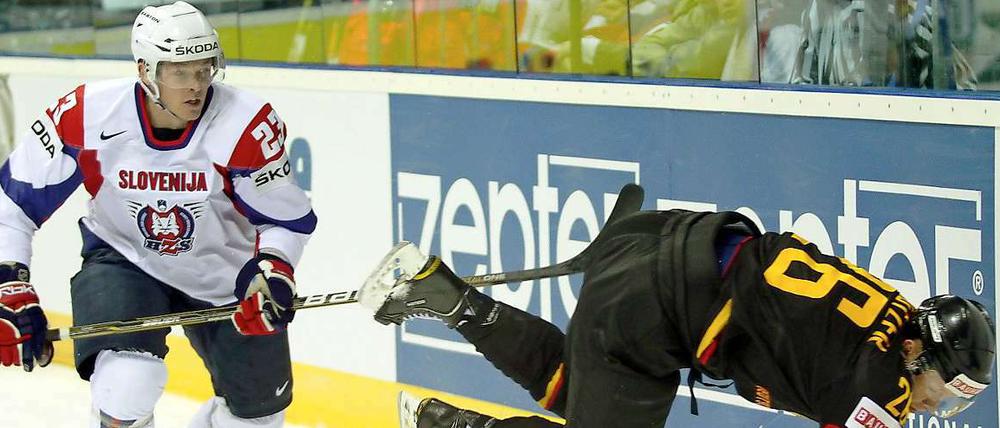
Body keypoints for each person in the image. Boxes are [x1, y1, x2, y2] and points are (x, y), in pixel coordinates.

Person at [365, 208, 995, 427]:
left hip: (662, 246)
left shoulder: (895, 306)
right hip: (661, 311)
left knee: (578, 391)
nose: (940, 404)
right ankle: (451, 425)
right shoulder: (884, 391)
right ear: (919, 354)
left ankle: (450, 299)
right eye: (952, 388)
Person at [0, 1, 317, 426]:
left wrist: (274, 270)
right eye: (179, 72)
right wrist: (9, 283)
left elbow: (282, 218)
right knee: (128, 383)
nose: (195, 86)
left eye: (204, 69)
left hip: (226, 272)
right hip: (126, 260)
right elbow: (13, 203)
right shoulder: (87, 114)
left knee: (257, 420)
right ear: (145, 70)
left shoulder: (244, 123)